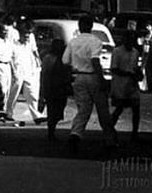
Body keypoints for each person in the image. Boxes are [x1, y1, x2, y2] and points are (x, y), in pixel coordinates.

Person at [62, 15, 118, 154]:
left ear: (80, 27)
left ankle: (75, 134)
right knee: (102, 109)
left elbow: (65, 62)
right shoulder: (95, 41)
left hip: (79, 76)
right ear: (91, 26)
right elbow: (95, 61)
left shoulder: (73, 42)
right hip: (93, 76)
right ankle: (109, 139)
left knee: (83, 109)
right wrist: (103, 79)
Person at [8, 21, 45, 125]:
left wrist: (38, 60)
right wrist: (13, 70)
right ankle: (8, 113)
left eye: (29, 34)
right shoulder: (14, 44)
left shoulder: (30, 41)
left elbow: (34, 50)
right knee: (14, 92)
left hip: (29, 68)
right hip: (18, 69)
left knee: (32, 92)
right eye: (25, 34)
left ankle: (35, 115)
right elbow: (10, 58)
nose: (28, 36)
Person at [109, 29, 142, 141]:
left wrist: (138, 74)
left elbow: (136, 67)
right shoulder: (117, 51)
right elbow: (114, 68)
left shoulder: (135, 52)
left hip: (132, 85)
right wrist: (128, 73)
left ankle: (135, 133)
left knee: (136, 109)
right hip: (120, 85)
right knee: (119, 108)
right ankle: (109, 129)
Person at [38, 38, 71, 141]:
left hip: (61, 89)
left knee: (57, 111)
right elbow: (45, 75)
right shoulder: (48, 58)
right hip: (52, 88)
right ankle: (51, 132)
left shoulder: (64, 58)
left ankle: (52, 130)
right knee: (52, 112)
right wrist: (42, 93)